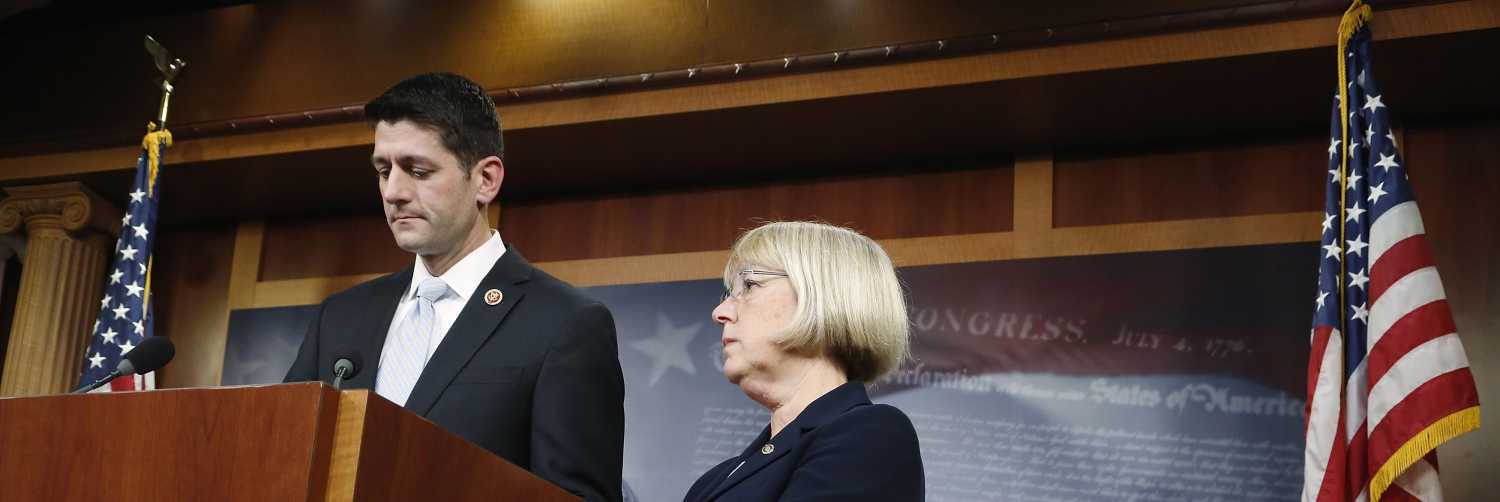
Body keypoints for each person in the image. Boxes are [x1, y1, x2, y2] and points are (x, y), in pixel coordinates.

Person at [284, 72, 624, 502]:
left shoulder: (566, 324)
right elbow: (285, 457)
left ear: (485, 180)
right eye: (383, 170)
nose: (393, 192)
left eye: (418, 170)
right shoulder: (341, 316)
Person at [682, 221, 925, 502]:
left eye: (748, 284)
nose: (719, 312)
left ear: (825, 296)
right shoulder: (714, 481)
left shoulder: (872, 436)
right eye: (728, 293)